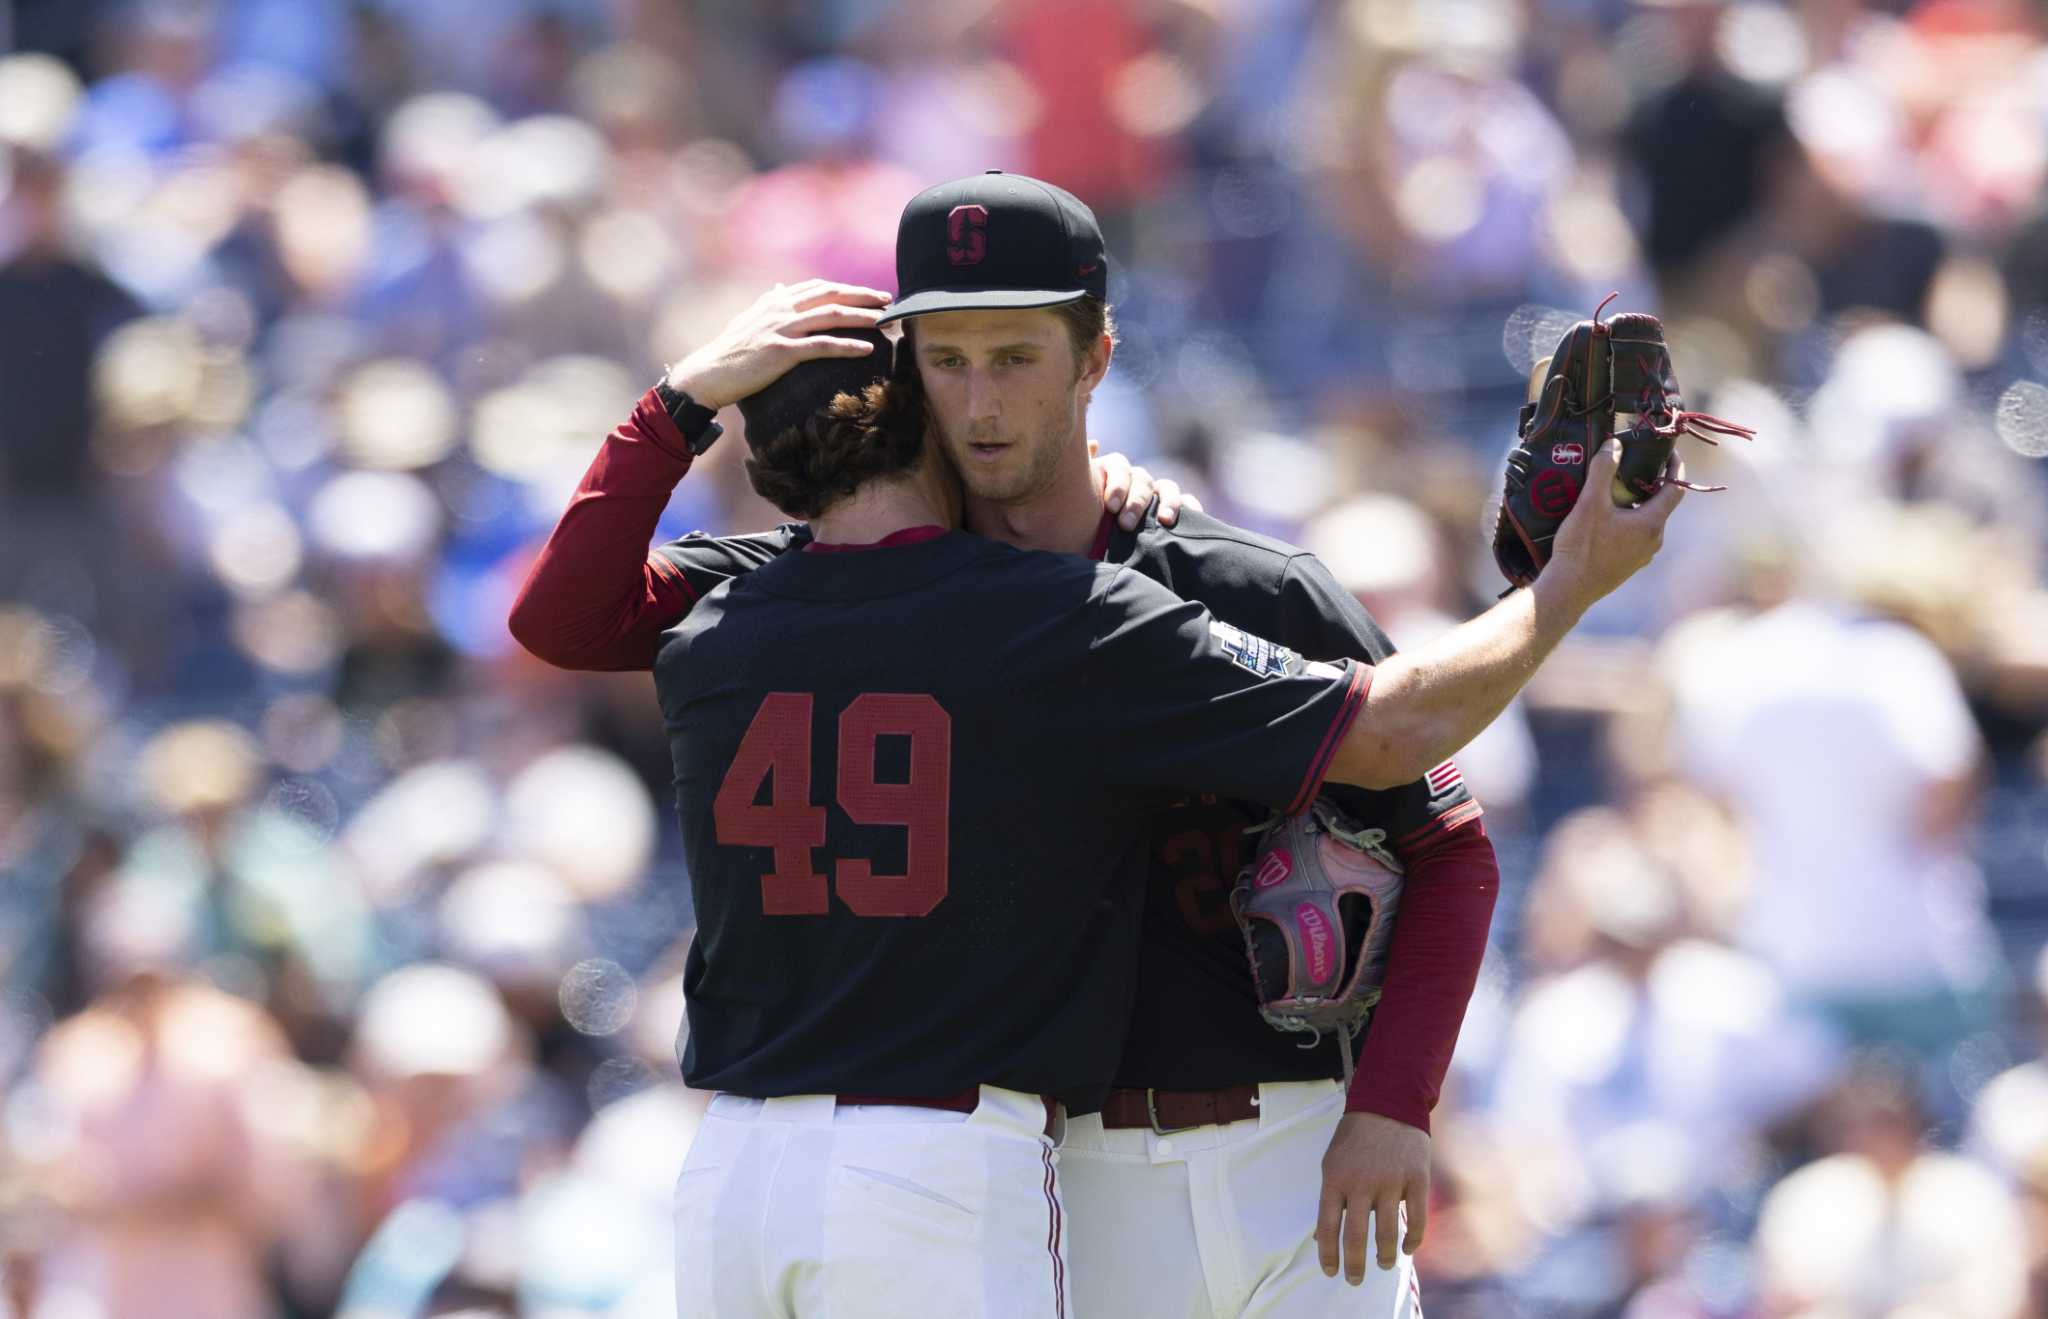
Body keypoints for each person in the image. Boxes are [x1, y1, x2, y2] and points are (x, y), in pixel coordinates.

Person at [511, 173, 1685, 1315]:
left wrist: (1394, 1102)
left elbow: (1445, 840)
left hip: (1289, 1148)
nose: (979, 403)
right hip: (1059, 1176)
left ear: (1095, 356)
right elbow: (561, 620)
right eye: (949, 359)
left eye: (1015, 356)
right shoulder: (836, 579)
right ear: (905, 375)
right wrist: (672, 402)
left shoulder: (1239, 582)